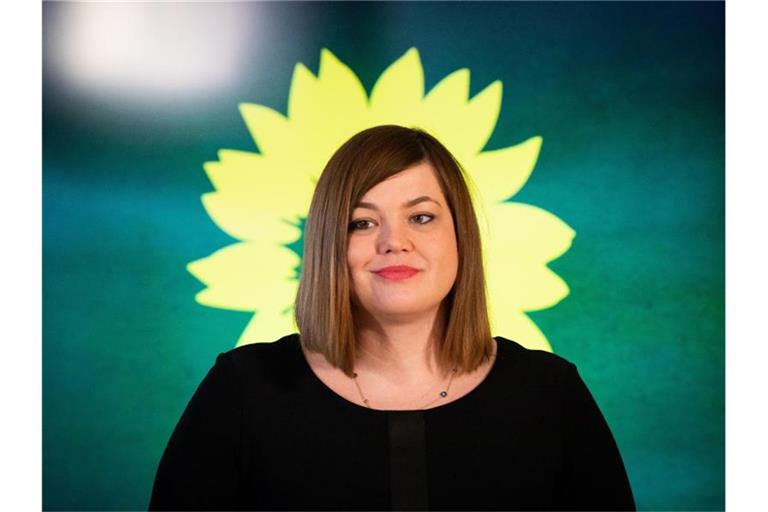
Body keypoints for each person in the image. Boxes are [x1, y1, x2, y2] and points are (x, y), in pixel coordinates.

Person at [149, 125, 636, 511]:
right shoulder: (241, 391)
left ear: (460, 236)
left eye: (421, 217)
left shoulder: (552, 394)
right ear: (329, 247)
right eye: (362, 223)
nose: (393, 242)